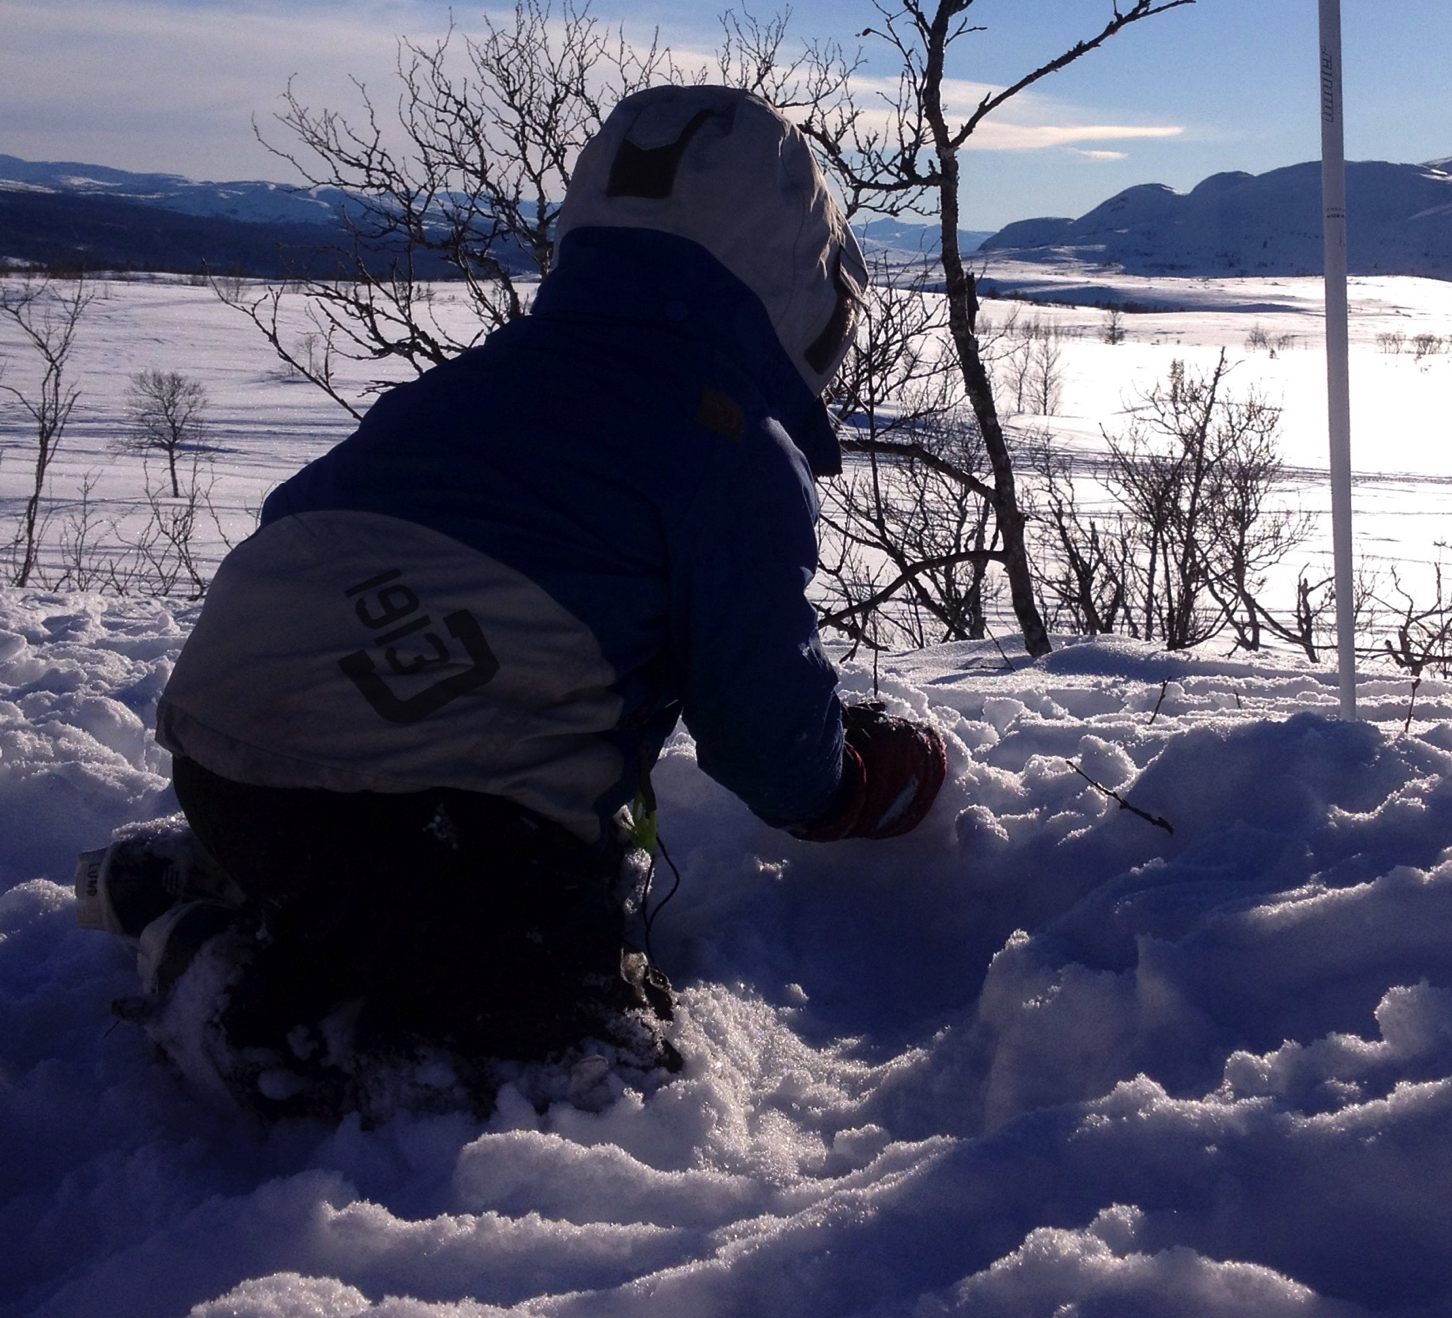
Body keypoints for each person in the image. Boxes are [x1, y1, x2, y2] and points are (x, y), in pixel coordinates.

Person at [76, 85, 948, 1104]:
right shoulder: (728, 448)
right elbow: (762, 732)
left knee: (378, 870)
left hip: (227, 748)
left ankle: (205, 873)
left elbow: (301, 518)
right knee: (595, 1061)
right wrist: (845, 783)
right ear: (794, 284)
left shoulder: (485, 376)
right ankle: (231, 998)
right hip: (403, 805)